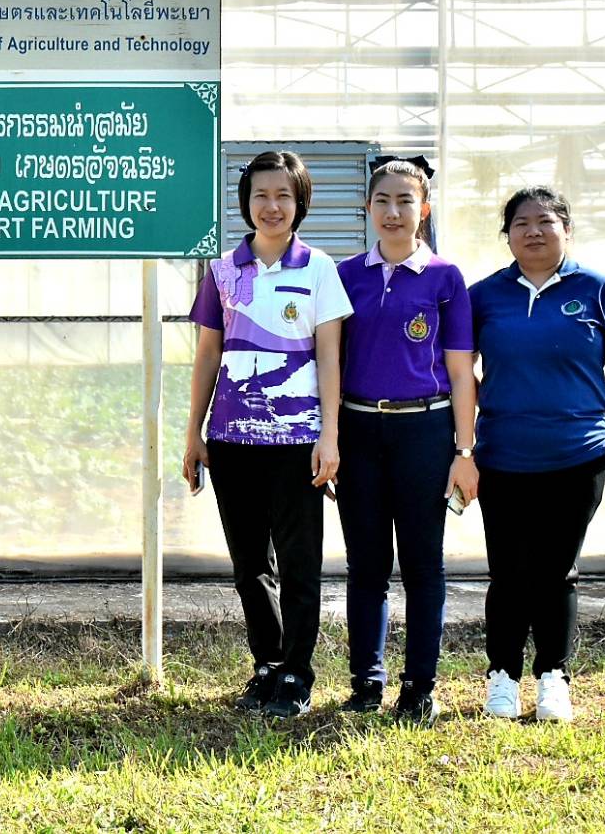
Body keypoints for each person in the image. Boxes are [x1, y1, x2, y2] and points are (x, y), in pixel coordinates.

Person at [182, 150, 352, 718]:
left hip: (298, 442)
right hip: (231, 440)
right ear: (245, 203)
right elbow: (208, 354)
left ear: (300, 201)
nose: (272, 206)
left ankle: (299, 672)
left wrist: (329, 435)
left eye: (283, 195)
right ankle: (268, 664)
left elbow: (330, 357)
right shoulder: (223, 272)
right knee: (250, 564)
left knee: (301, 561)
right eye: (261, 195)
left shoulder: (319, 269)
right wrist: (194, 432)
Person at [469, 186, 605, 723]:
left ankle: (554, 678)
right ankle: (502, 677)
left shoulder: (598, 290)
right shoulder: (485, 296)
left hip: (578, 457)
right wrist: (487, 410)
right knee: (508, 571)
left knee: (556, 570)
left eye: (545, 221)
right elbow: (458, 370)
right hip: (502, 456)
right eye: (521, 223)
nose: (533, 231)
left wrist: (593, 416)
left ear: (566, 228)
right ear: (507, 235)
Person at [334, 156, 478, 721]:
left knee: (423, 564)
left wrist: (465, 452)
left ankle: (420, 686)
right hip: (359, 428)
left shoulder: (445, 278)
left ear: (425, 208)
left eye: (405, 201)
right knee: (365, 564)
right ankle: (366, 683)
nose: (394, 212)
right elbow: (327, 361)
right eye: (383, 201)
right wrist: (331, 438)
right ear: (367, 208)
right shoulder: (345, 277)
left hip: (426, 429)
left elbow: (463, 371)